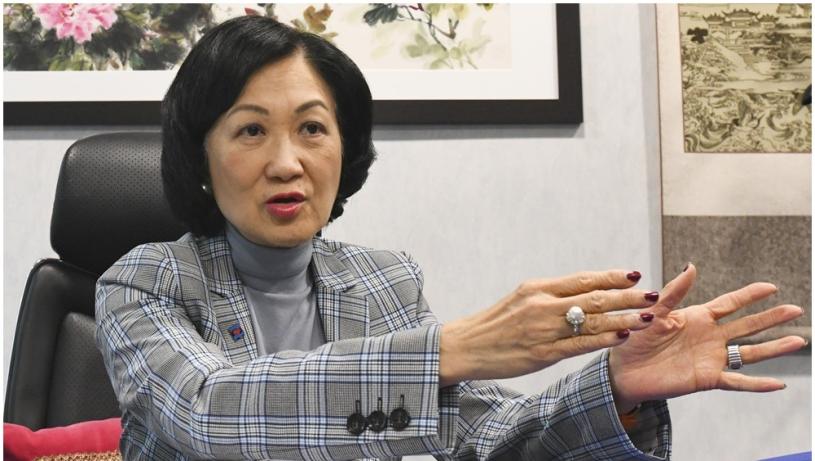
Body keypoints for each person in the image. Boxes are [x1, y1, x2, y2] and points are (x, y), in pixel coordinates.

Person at [95, 15, 806, 460]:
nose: (287, 162)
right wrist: (451, 350)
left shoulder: (382, 280)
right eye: (251, 130)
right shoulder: (144, 281)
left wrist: (614, 386)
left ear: (345, 147)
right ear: (201, 156)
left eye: (312, 127)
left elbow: (486, 439)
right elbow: (208, 411)